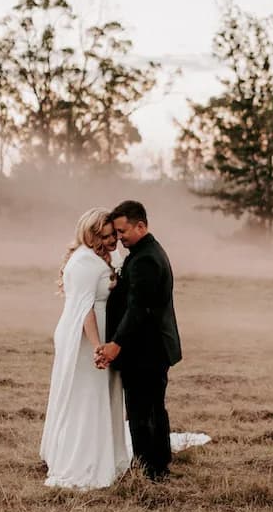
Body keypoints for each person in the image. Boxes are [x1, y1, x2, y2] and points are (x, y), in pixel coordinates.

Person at [40, 209, 131, 489]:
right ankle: (83, 458)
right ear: (91, 236)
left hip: (102, 332)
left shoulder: (102, 257)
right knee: (87, 393)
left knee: (101, 391)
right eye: (105, 237)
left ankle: (107, 449)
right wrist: (97, 348)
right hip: (84, 336)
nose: (112, 240)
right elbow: (84, 309)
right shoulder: (83, 262)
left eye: (114, 234)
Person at [95, 200, 182, 480]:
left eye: (122, 232)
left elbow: (139, 307)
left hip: (146, 348)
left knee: (141, 409)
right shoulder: (146, 251)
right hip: (153, 346)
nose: (119, 239)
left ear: (140, 226)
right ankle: (159, 461)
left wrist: (115, 344)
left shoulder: (145, 258)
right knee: (153, 406)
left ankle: (150, 469)